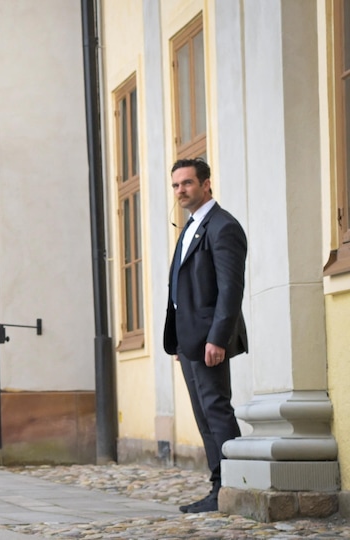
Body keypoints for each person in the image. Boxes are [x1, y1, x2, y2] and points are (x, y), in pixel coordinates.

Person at [163, 158, 247, 514]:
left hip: (210, 340)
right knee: (204, 414)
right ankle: (218, 486)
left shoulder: (222, 226)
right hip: (190, 341)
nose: (181, 191)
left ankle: (234, 485)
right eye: (176, 185)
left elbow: (230, 289)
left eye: (187, 183)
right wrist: (180, 340)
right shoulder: (191, 226)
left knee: (216, 410)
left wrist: (218, 338)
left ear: (206, 184)